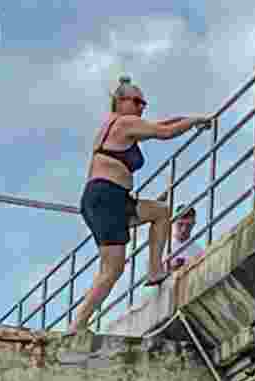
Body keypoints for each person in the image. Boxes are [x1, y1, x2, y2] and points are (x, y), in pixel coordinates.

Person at [67, 76, 212, 335]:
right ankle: (77, 325)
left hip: (110, 199)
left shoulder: (117, 126)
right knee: (112, 270)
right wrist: (193, 122)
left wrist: (191, 119)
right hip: (107, 198)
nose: (142, 106)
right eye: (136, 101)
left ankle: (155, 271)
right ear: (120, 102)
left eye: (143, 102)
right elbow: (165, 133)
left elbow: (158, 125)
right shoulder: (124, 123)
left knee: (161, 213)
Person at [164, 207, 204, 271]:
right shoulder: (162, 247)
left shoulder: (198, 251)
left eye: (188, 225)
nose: (184, 229)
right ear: (173, 222)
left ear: (193, 224)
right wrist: (170, 268)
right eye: (180, 224)